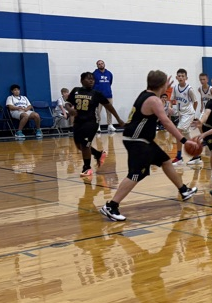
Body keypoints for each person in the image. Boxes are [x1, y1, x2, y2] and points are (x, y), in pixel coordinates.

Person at [99, 70, 198, 222]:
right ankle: (111, 206)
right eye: (165, 84)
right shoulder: (154, 101)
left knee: (165, 161)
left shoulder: (146, 94)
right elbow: (166, 122)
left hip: (143, 140)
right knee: (136, 174)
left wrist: (163, 87)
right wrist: (184, 140)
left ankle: (184, 190)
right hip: (137, 140)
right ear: (161, 85)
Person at [65, 72, 126, 177]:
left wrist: (118, 119)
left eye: (93, 79)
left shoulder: (96, 93)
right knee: (79, 146)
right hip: (78, 122)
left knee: (85, 144)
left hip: (91, 122)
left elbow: (109, 107)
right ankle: (98, 154)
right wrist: (69, 109)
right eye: (88, 79)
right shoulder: (76, 90)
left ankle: (87, 168)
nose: (91, 80)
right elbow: (67, 103)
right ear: (82, 80)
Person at [170, 68, 199, 166]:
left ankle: (179, 157)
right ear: (176, 77)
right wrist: (170, 107)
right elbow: (171, 100)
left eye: (183, 76)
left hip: (188, 114)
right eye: (179, 76)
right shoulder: (175, 88)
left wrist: (193, 114)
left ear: (186, 78)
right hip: (181, 114)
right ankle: (196, 155)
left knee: (178, 132)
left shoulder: (189, 89)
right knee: (186, 135)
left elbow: (195, 102)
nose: (181, 77)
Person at [93, 59, 115, 133]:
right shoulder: (94, 74)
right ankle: (98, 125)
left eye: (102, 63)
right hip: (98, 96)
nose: (101, 65)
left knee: (110, 110)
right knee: (97, 111)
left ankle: (110, 124)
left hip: (108, 95)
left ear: (104, 64)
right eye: (99, 64)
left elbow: (110, 83)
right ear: (97, 66)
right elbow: (92, 84)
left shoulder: (109, 73)